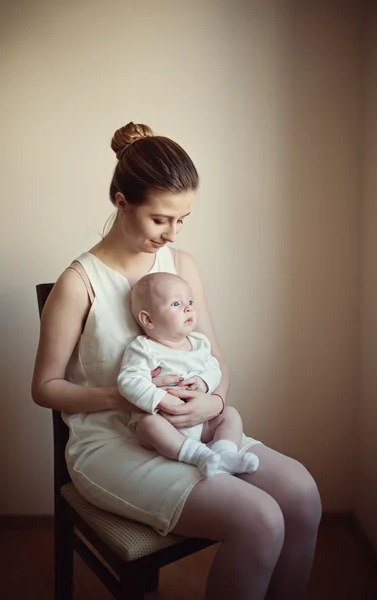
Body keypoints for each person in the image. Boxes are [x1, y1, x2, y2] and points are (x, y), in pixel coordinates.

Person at [32, 121, 321, 600]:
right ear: (122, 202)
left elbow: (216, 359)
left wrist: (212, 401)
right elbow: (44, 388)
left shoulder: (181, 265)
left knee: (303, 495)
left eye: (182, 219)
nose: (172, 233)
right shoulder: (78, 282)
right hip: (111, 446)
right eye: (160, 218)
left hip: (194, 428)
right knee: (261, 519)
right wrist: (133, 396)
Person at [119, 271, 260, 477]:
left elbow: (214, 368)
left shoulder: (200, 343)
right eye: (176, 304)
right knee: (149, 424)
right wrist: (162, 399)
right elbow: (129, 381)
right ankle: (200, 456)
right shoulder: (143, 349)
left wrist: (203, 383)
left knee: (230, 414)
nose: (188, 307)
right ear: (148, 319)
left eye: (190, 301)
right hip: (165, 422)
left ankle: (225, 454)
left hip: (201, 422)